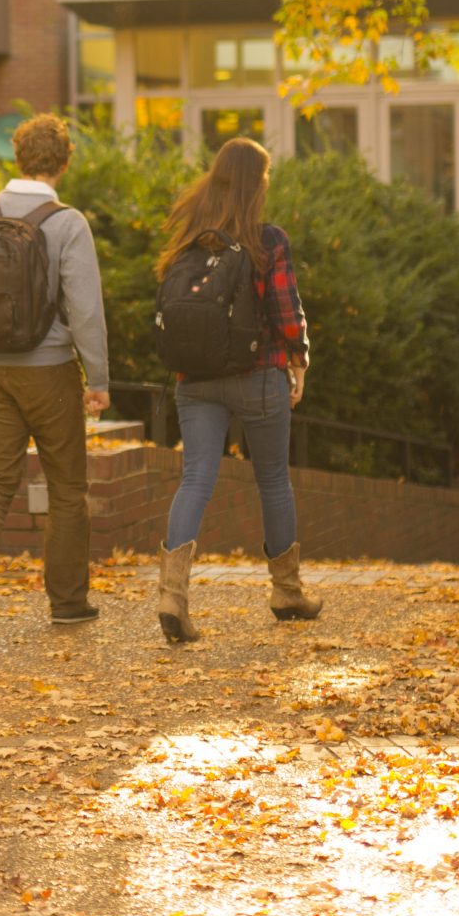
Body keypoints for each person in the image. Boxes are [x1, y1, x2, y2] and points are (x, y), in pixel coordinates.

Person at [0, 113, 110, 635]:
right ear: (63, 162)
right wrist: (98, 379)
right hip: (50, 372)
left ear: (17, 157)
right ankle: (67, 602)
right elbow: (85, 310)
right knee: (65, 486)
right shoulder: (66, 222)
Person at [152, 137, 317, 638]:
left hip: (195, 380)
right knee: (272, 481)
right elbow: (286, 313)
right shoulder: (268, 240)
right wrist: (300, 359)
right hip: (259, 376)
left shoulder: (190, 236)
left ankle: (172, 596)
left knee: (195, 480)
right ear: (256, 182)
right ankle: (287, 592)